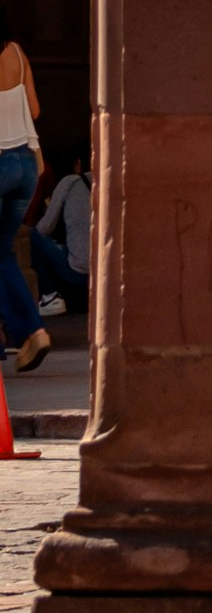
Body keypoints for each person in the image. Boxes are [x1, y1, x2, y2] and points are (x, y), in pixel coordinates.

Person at [0, 22, 45, 372]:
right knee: (2, 253)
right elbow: (34, 109)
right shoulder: (16, 52)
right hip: (25, 167)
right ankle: (31, 331)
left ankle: (28, 329)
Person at [31, 147, 88, 330]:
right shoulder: (119, 181)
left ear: (78, 162)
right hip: (109, 276)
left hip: (79, 273)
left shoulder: (71, 182)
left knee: (32, 237)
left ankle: (50, 295)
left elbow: (44, 228)